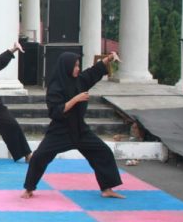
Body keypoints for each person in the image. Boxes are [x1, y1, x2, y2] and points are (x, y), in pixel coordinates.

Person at [22, 51, 125, 200]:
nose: (78, 68)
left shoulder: (80, 80)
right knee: (39, 157)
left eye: (78, 65)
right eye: (75, 66)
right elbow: (55, 112)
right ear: (66, 66)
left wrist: (109, 58)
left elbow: (94, 71)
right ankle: (29, 189)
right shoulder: (55, 86)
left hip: (80, 129)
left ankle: (106, 188)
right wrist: (75, 99)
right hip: (60, 130)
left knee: (103, 152)